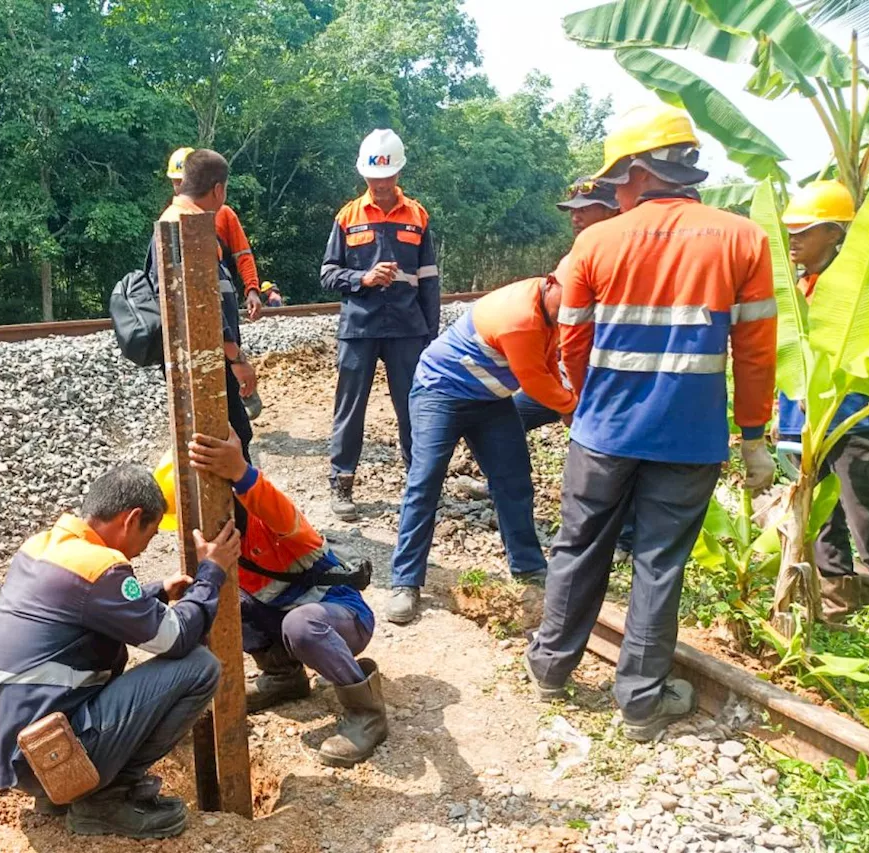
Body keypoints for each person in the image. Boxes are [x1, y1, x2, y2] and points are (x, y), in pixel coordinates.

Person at [525, 105, 777, 742]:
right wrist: (752, 435)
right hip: (689, 438)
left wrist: (588, 401)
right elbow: (754, 351)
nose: (615, 191)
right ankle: (641, 702)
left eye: (617, 179)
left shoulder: (596, 241)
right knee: (661, 563)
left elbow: (571, 341)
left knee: (578, 547)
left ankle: (550, 667)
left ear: (639, 170)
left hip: (603, 431)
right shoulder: (744, 239)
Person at [0, 464, 239, 839]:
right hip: (45, 754)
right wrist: (212, 573)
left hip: (15, 750)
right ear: (131, 519)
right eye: (147, 536)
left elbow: (82, 610)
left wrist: (157, 593)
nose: (144, 548)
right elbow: (176, 638)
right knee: (199, 667)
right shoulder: (102, 568)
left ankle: (63, 791)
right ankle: (104, 801)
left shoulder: (43, 547)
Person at [165, 431, 385, 767]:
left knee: (302, 624)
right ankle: (285, 677)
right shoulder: (217, 546)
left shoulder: (273, 524)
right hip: (286, 625)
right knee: (222, 602)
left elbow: (270, 500)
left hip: (342, 620)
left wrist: (239, 471)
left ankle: (365, 711)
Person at [385, 275, 576, 624]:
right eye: (569, 305)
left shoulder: (552, 311)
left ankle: (529, 566)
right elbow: (534, 380)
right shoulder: (520, 317)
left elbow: (548, 362)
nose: (572, 315)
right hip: (440, 392)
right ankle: (405, 582)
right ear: (552, 283)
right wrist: (569, 408)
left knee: (514, 479)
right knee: (424, 483)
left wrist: (567, 399)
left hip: (490, 400)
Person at [321, 129, 441, 521]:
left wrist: (431, 336)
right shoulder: (347, 217)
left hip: (408, 328)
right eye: (375, 178)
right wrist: (363, 279)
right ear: (364, 176)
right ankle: (342, 481)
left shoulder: (418, 216)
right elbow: (327, 274)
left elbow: (429, 280)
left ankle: (420, 483)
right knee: (350, 408)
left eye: (387, 177)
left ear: (398, 172)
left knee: (413, 407)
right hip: (360, 327)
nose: (382, 185)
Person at [513, 176, 635, 561]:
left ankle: (625, 537)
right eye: (573, 212)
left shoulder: (626, 258)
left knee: (613, 454)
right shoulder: (576, 257)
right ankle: (510, 484)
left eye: (586, 211)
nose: (576, 219)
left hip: (608, 379)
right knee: (507, 417)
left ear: (613, 210)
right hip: (573, 376)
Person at [778, 180, 869, 621]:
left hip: (854, 422)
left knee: (866, 519)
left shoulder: (856, 290)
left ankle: (868, 592)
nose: (794, 240)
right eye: (791, 231)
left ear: (836, 233)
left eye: (806, 231)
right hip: (805, 425)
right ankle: (835, 598)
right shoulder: (799, 289)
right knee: (820, 518)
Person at [150, 149, 256, 460]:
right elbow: (203, 310)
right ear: (218, 189)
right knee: (231, 442)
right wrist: (237, 359)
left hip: (199, 361)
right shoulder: (189, 228)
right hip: (206, 363)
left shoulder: (175, 222)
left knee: (230, 437)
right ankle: (235, 510)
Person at [167, 147, 265, 322]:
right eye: (176, 183)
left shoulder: (224, 215)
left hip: (221, 304)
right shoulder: (173, 222)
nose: (180, 188)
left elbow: (243, 255)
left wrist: (252, 289)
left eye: (182, 182)